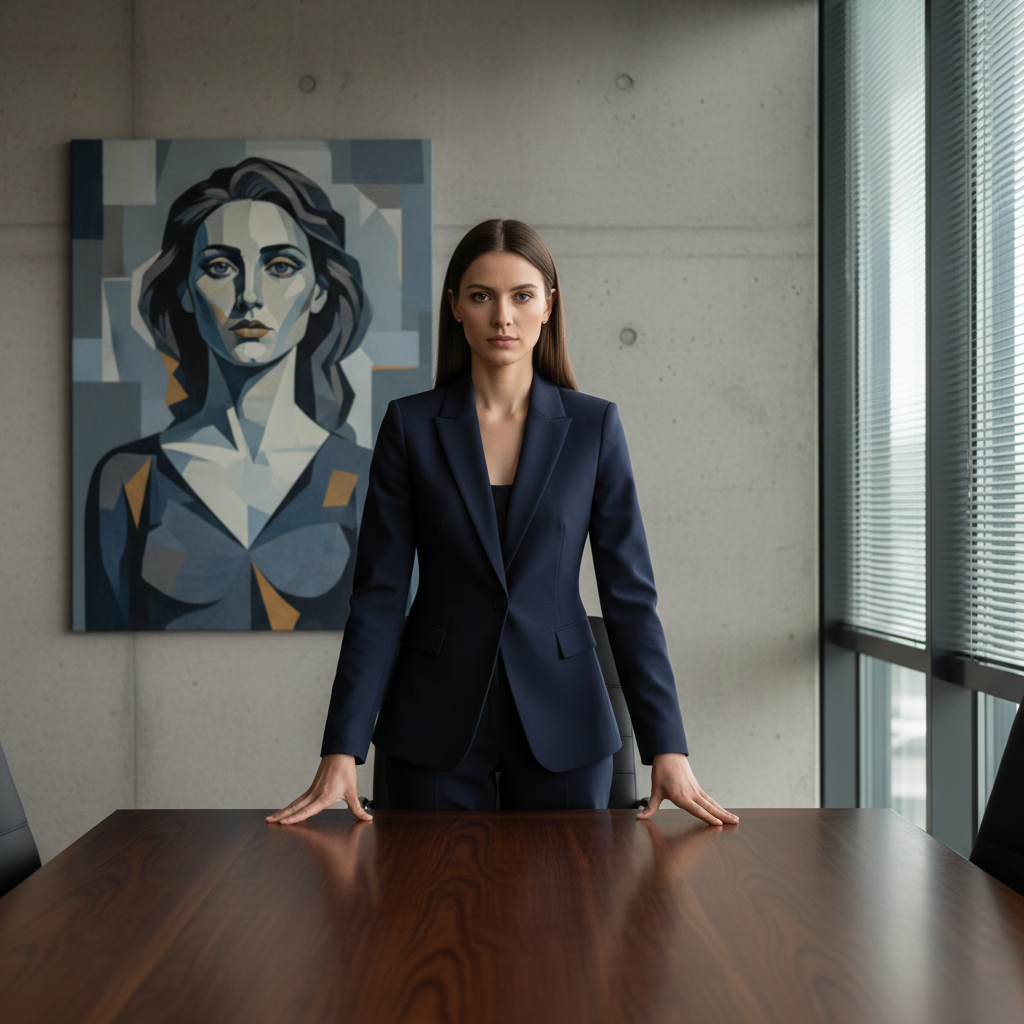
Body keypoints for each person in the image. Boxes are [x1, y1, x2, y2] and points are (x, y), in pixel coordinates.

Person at [269, 219, 737, 824]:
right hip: (429, 724)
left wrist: (666, 747)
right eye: (481, 296)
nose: (503, 318)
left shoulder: (594, 428)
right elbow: (380, 596)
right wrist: (343, 746)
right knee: (421, 911)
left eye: (522, 295)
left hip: (565, 723)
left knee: (568, 915)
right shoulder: (410, 427)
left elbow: (630, 597)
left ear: (549, 303)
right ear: (456, 307)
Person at [85, 158, 373, 630]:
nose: (250, 296)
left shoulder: (364, 478)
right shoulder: (129, 479)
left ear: (319, 292)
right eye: (220, 267)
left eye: (280, 265)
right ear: (183, 292)